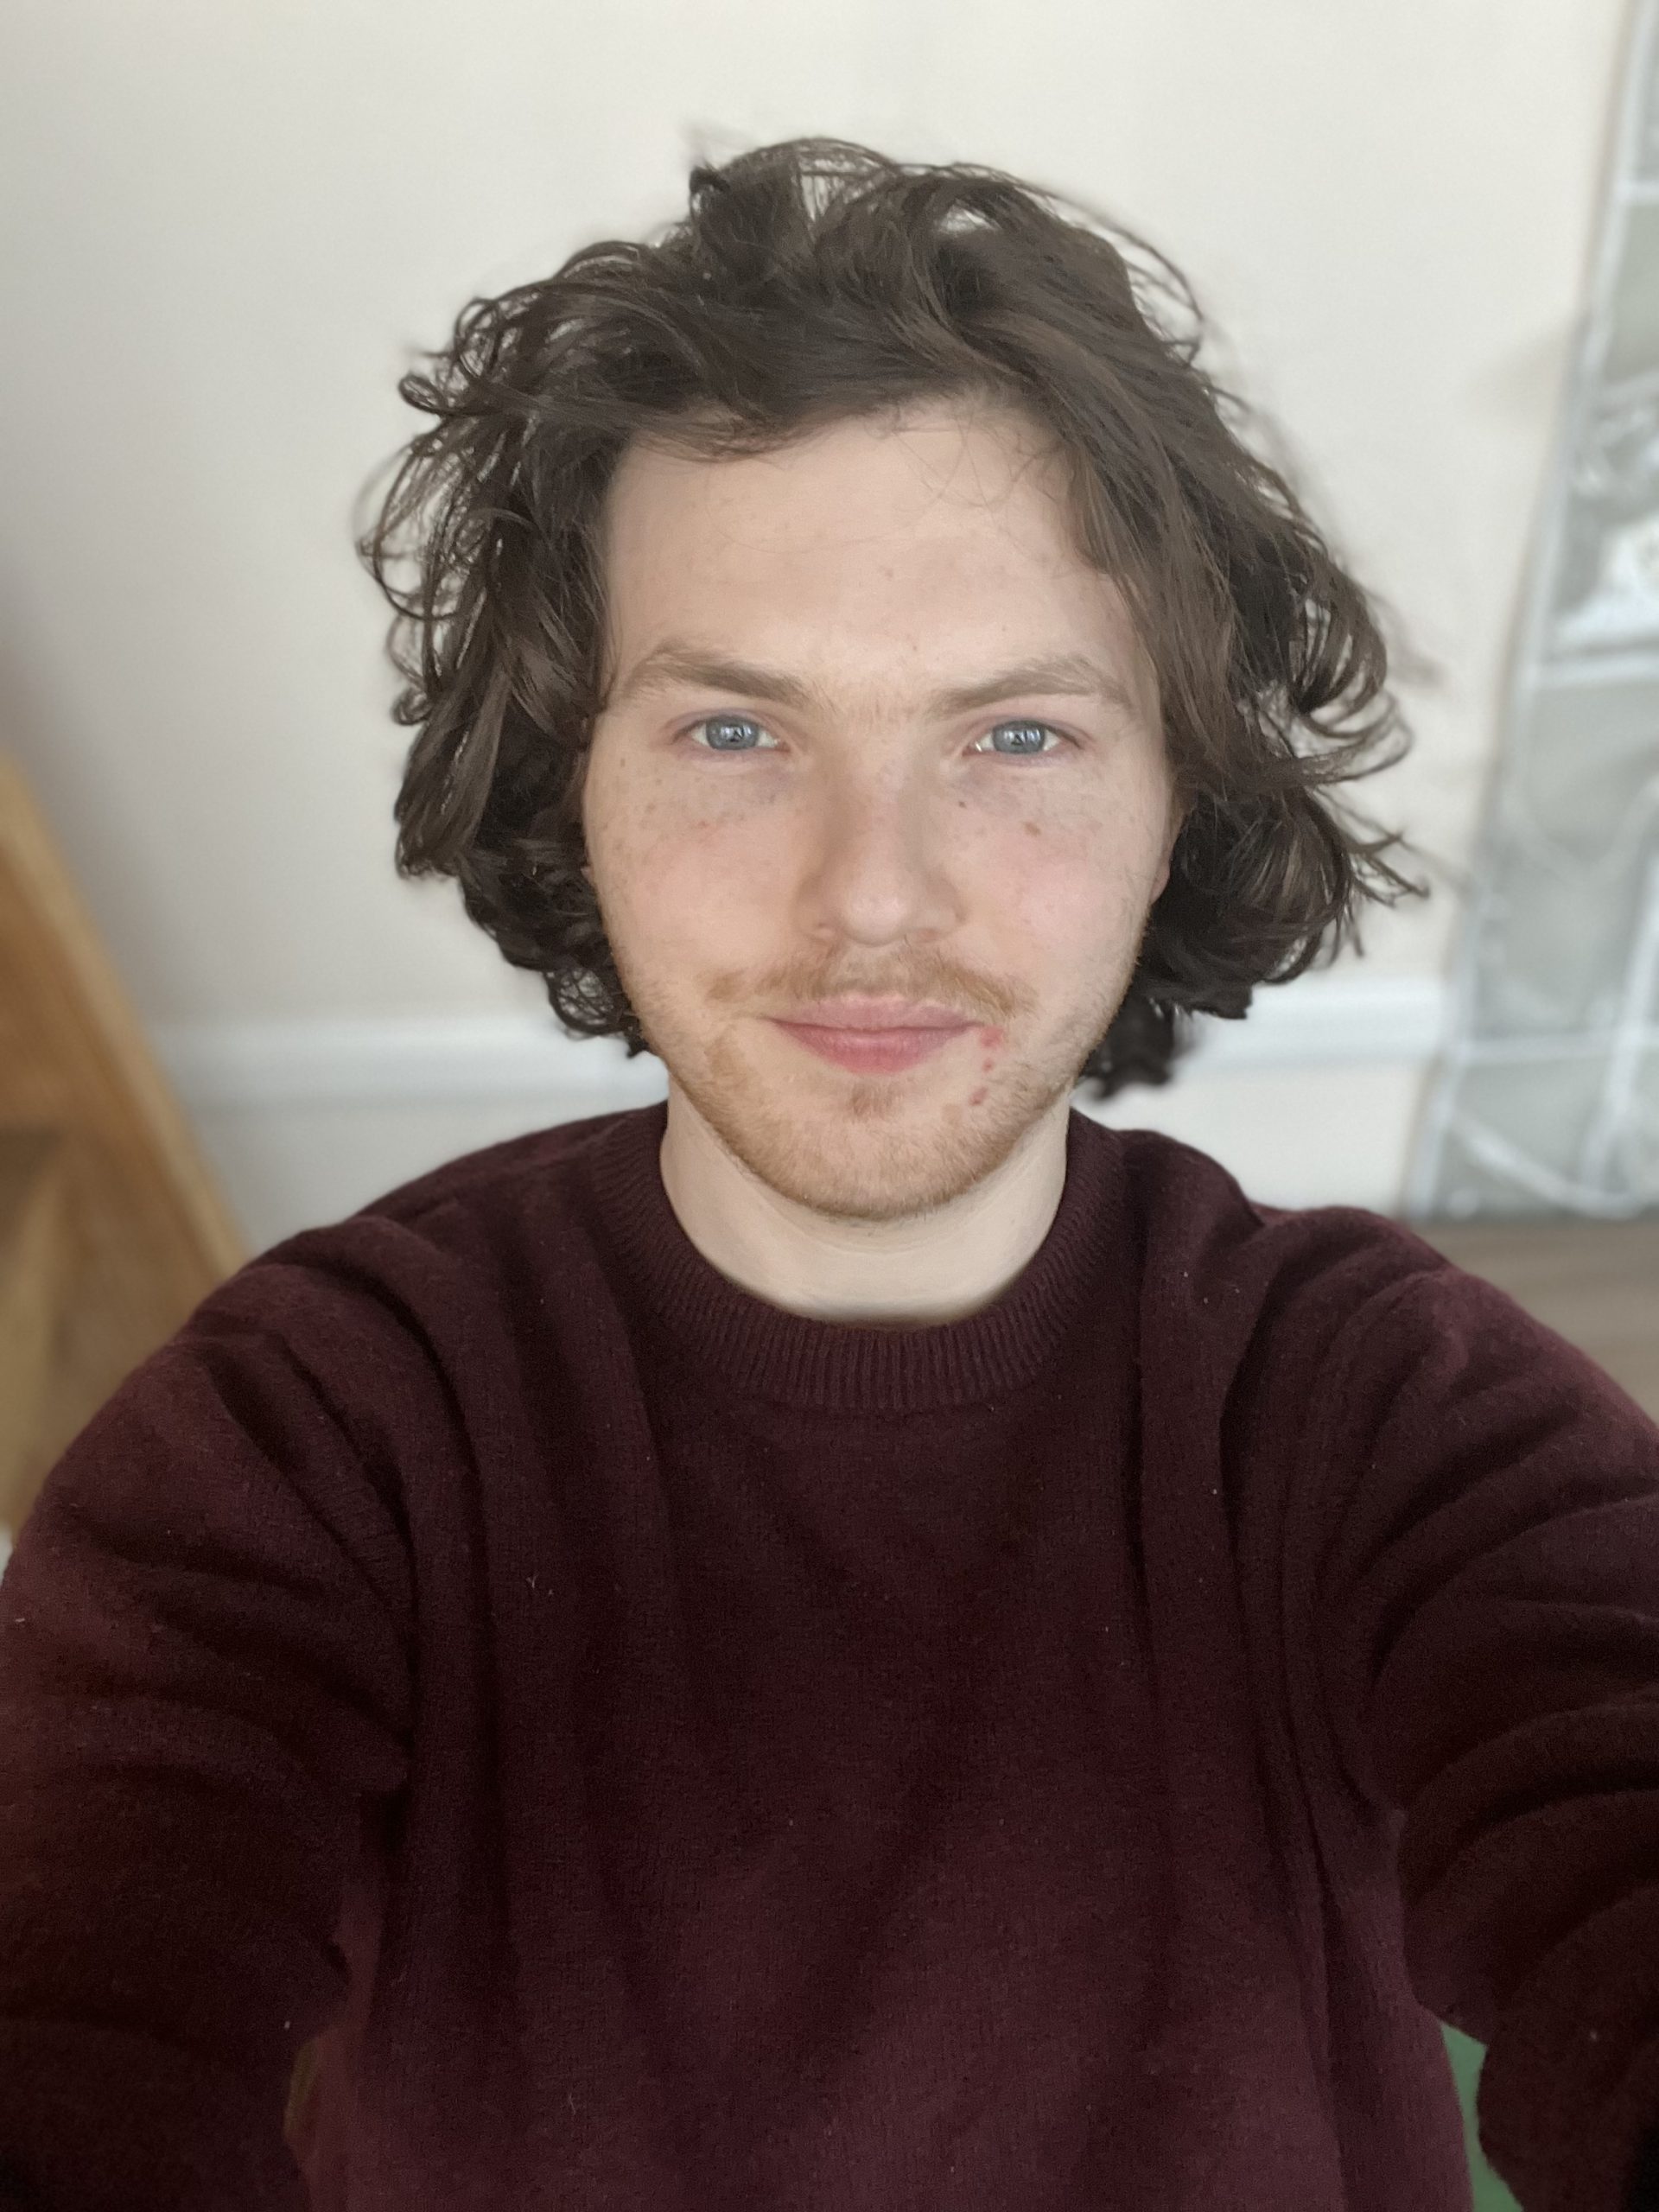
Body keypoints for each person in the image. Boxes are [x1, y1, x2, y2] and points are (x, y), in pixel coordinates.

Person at [1, 135, 1657, 2212]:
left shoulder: (1393, 1419)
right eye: (731, 732)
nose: (873, 893)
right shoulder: (308, 1440)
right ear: (567, 775)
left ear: (1178, 806)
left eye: (1020, 736)